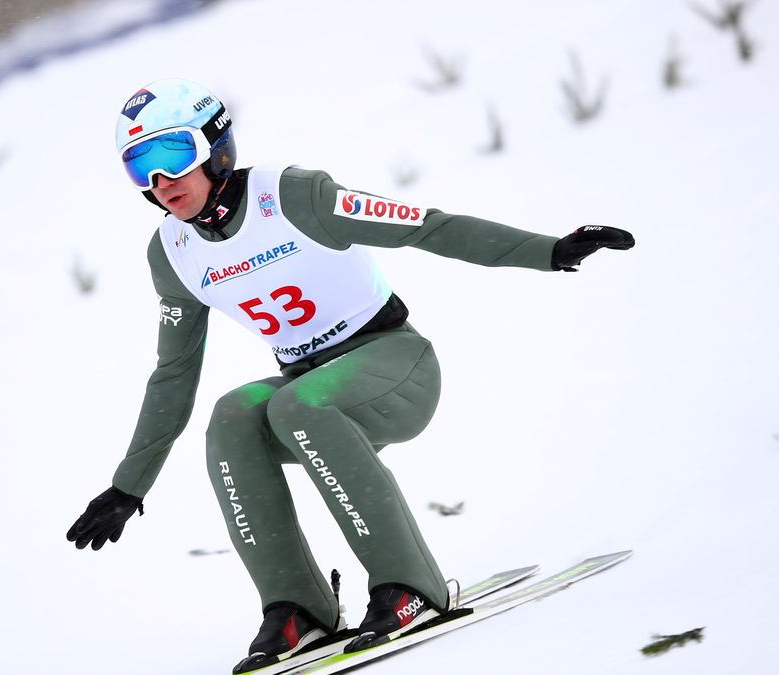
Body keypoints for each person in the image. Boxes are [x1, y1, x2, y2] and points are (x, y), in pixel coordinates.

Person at [66, 78, 634, 673]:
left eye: (172, 154)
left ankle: (410, 586)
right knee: (234, 414)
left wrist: (549, 250)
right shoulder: (173, 250)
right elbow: (174, 371)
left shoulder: (293, 196)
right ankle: (296, 608)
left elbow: (424, 225)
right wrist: (129, 487)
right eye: (140, 166)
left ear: (216, 147)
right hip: (308, 389)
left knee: (297, 405)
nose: (160, 180)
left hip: (394, 366)